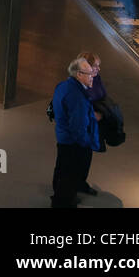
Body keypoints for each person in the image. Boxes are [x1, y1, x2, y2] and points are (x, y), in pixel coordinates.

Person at [51, 56, 101, 207]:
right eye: (89, 73)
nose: (93, 76)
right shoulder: (77, 96)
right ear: (79, 74)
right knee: (70, 177)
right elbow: (78, 126)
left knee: (61, 170)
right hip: (74, 143)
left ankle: (59, 197)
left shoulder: (63, 86)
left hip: (63, 138)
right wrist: (86, 142)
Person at [79, 50, 125, 149]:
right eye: (95, 66)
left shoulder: (96, 79)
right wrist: (94, 115)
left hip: (94, 129)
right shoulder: (77, 85)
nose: (98, 69)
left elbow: (103, 96)